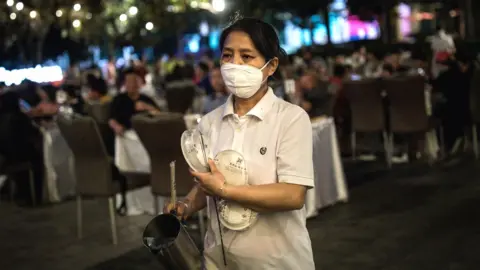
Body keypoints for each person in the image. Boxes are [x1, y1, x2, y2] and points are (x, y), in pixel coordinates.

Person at [165, 17, 315, 270]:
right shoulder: (209, 123)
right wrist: (186, 205)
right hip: (220, 260)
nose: (235, 65)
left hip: (276, 261)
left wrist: (224, 190)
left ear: (271, 66)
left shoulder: (291, 119)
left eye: (247, 57)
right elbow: (206, 184)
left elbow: (292, 195)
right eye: (227, 55)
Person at [109, 68, 160, 135]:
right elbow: (111, 119)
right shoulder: (118, 99)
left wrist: (147, 107)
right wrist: (116, 127)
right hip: (125, 135)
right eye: (128, 81)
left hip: (146, 135)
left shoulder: (146, 99)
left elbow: (160, 115)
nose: (131, 84)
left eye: (133, 81)